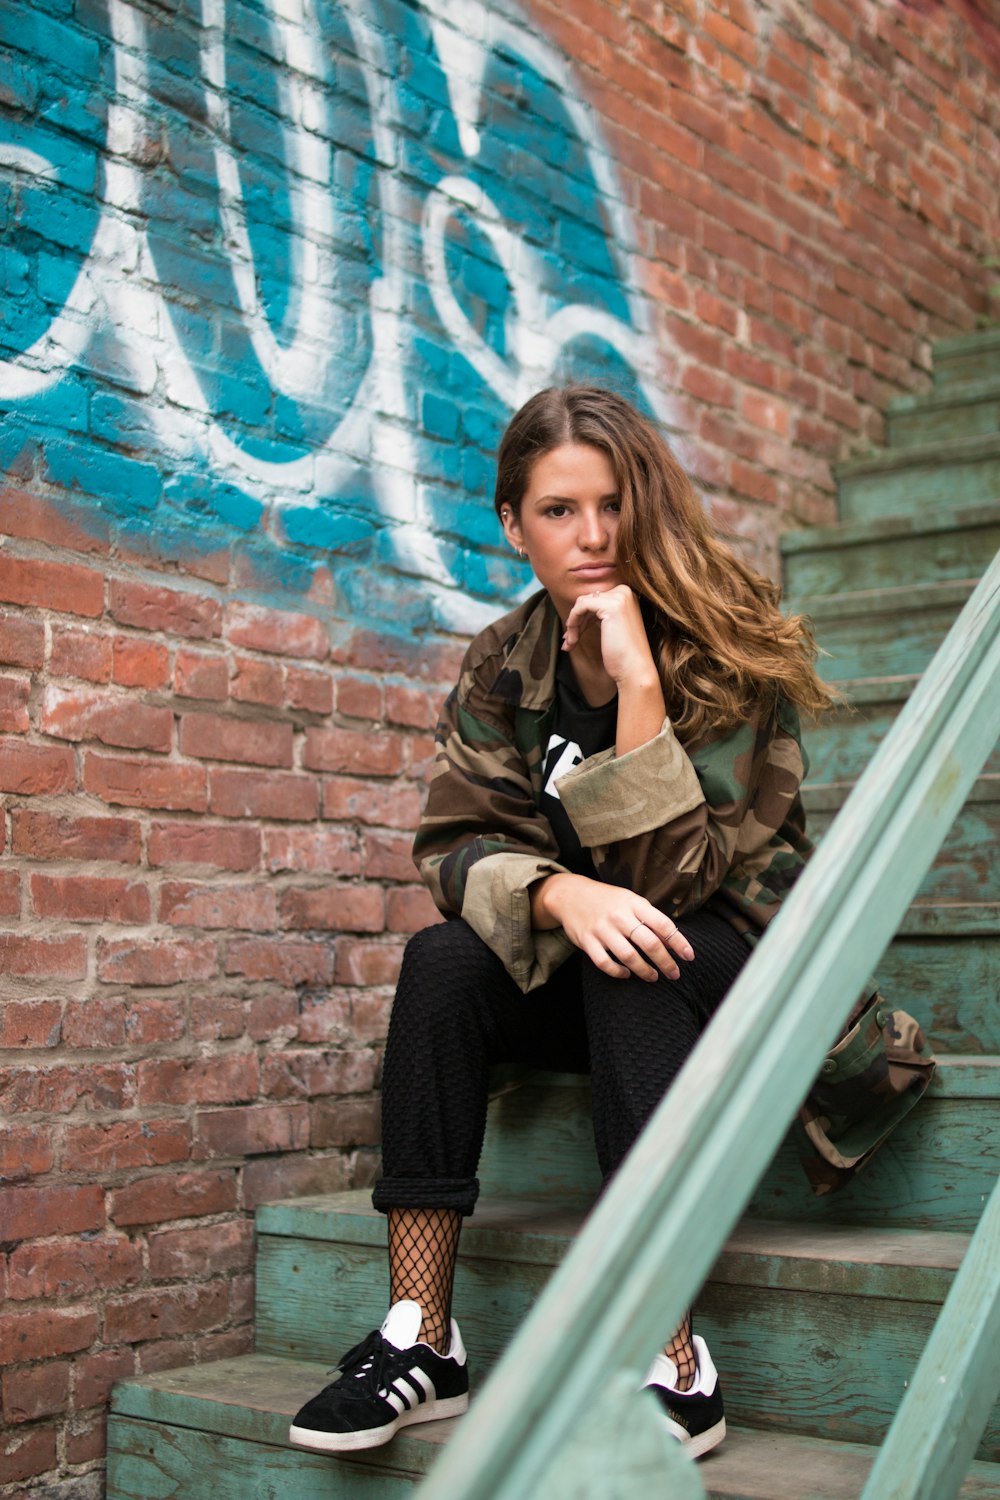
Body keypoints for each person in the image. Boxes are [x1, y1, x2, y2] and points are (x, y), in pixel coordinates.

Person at [288, 386, 835, 1461]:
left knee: (632, 949)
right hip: (590, 966)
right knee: (442, 961)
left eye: (611, 504)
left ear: (647, 503)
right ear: (511, 524)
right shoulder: (503, 661)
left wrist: (636, 678)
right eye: (556, 511)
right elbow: (455, 844)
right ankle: (420, 1334)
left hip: (732, 964)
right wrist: (555, 894)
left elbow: (674, 879)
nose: (591, 537)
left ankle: (670, 1349)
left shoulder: (725, 645)